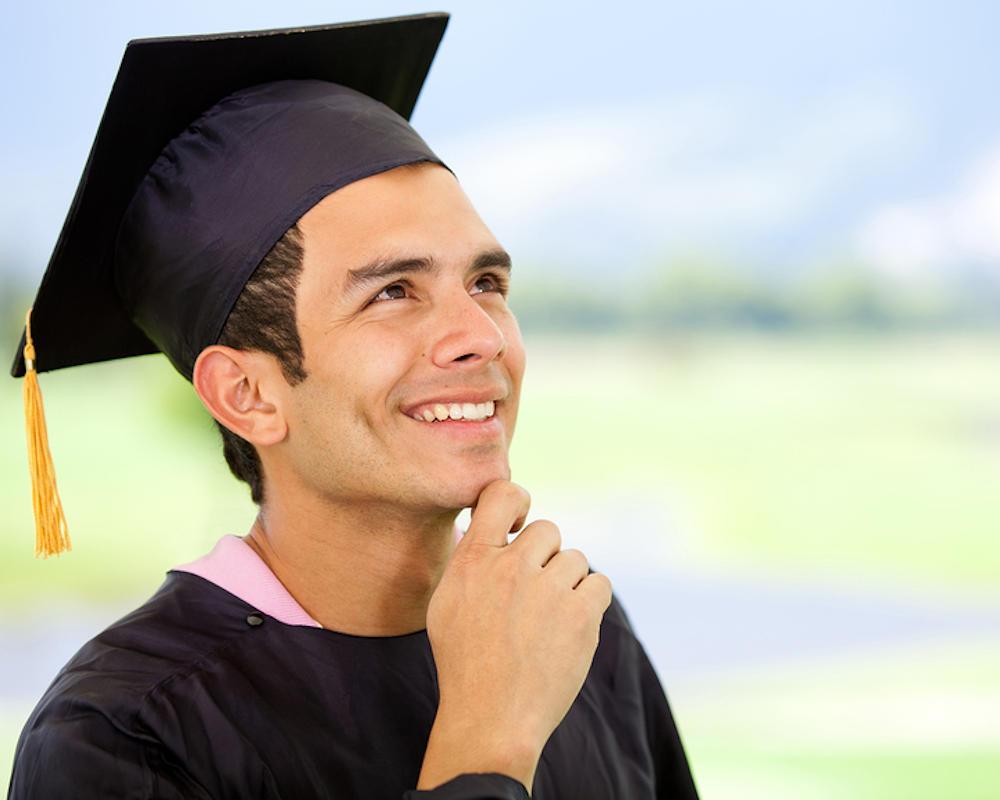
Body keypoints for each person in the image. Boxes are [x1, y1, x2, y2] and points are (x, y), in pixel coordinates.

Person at [6, 13, 700, 800]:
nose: (480, 337)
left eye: (485, 284)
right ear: (249, 395)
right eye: (394, 293)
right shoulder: (128, 735)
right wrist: (486, 745)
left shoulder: (572, 628)